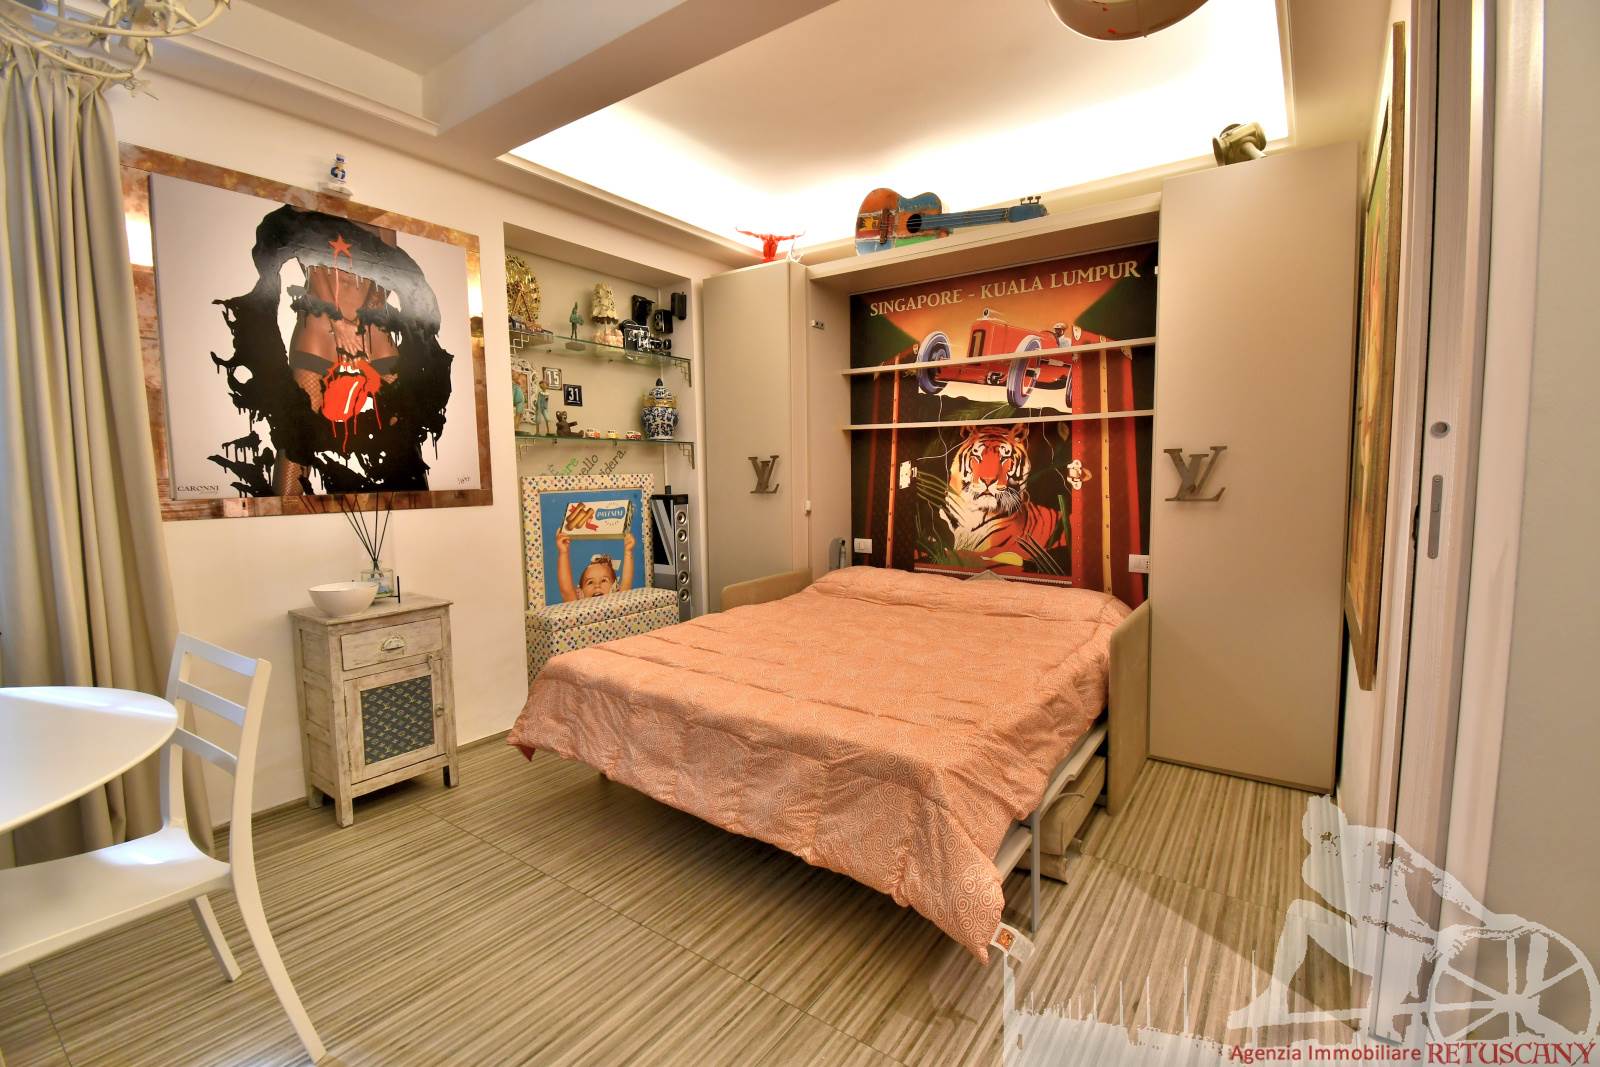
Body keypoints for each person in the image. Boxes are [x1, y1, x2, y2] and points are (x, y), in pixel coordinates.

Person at [555, 521, 636, 601]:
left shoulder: (618, 602)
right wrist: (563, 552)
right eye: (590, 582)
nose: (597, 585)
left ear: (616, 588)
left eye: (604, 580)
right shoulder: (579, 606)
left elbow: (626, 583)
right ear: (580, 593)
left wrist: (628, 551)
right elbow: (566, 591)